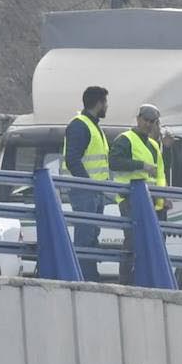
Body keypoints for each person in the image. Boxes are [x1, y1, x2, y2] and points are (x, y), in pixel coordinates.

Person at [109, 103, 167, 284]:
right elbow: (114, 162)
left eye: (152, 121)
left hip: (152, 201)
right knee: (133, 242)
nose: (149, 124)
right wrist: (140, 165)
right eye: (146, 120)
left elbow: (160, 174)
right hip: (130, 198)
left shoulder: (153, 145)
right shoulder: (125, 139)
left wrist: (163, 198)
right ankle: (126, 282)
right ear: (138, 119)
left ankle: (147, 280)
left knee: (153, 243)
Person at [62, 86, 110, 282]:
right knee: (85, 237)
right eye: (105, 102)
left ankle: (90, 278)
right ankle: (84, 279)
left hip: (94, 192)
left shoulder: (91, 125)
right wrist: (89, 184)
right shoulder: (80, 125)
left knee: (91, 238)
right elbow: (72, 159)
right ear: (98, 103)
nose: (107, 106)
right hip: (85, 192)